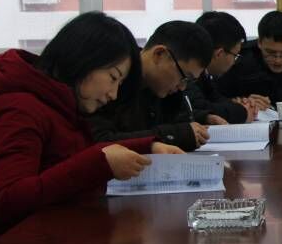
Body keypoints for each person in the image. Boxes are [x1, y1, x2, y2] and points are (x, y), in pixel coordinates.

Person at [0, 12, 182, 244]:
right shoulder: (17, 109)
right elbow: (8, 200)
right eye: (113, 77)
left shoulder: (56, 102)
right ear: (83, 60)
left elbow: (70, 157)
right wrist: (98, 163)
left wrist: (148, 146)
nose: (114, 94)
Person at [89, 20, 214, 152]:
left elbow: (179, 121)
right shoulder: (110, 81)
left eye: (189, 81)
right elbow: (98, 141)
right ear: (159, 54)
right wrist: (171, 135)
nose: (182, 87)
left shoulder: (163, 91)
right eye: (184, 77)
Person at [217, 11, 282, 114]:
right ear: (259, 43)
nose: (278, 60)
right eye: (270, 52)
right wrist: (242, 102)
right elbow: (216, 98)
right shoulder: (240, 61)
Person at [189, 11, 270, 124]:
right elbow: (199, 107)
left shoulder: (204, 74)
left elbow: (215, 98)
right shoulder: (189, 73)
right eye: (235, 55)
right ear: (219, 54)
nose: (234, 61)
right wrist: (243, 112)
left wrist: (241, 103)